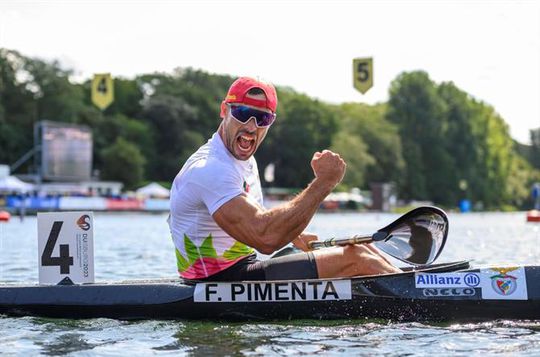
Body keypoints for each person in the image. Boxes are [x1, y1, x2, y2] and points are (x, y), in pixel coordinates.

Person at [168, 77, 400, 281]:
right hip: (218, 282)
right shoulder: (210, 168)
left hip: (243, 269)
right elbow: (265, 237)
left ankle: (414, 283)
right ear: (224, 110)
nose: (251, 126)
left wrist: (296, 235)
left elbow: (251, 216)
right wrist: (324, 183)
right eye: (242, 113)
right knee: (357, 258)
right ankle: (424, 297)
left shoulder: (243, 160)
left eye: (262, 118)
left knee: (363, 248)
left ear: (271, 121)